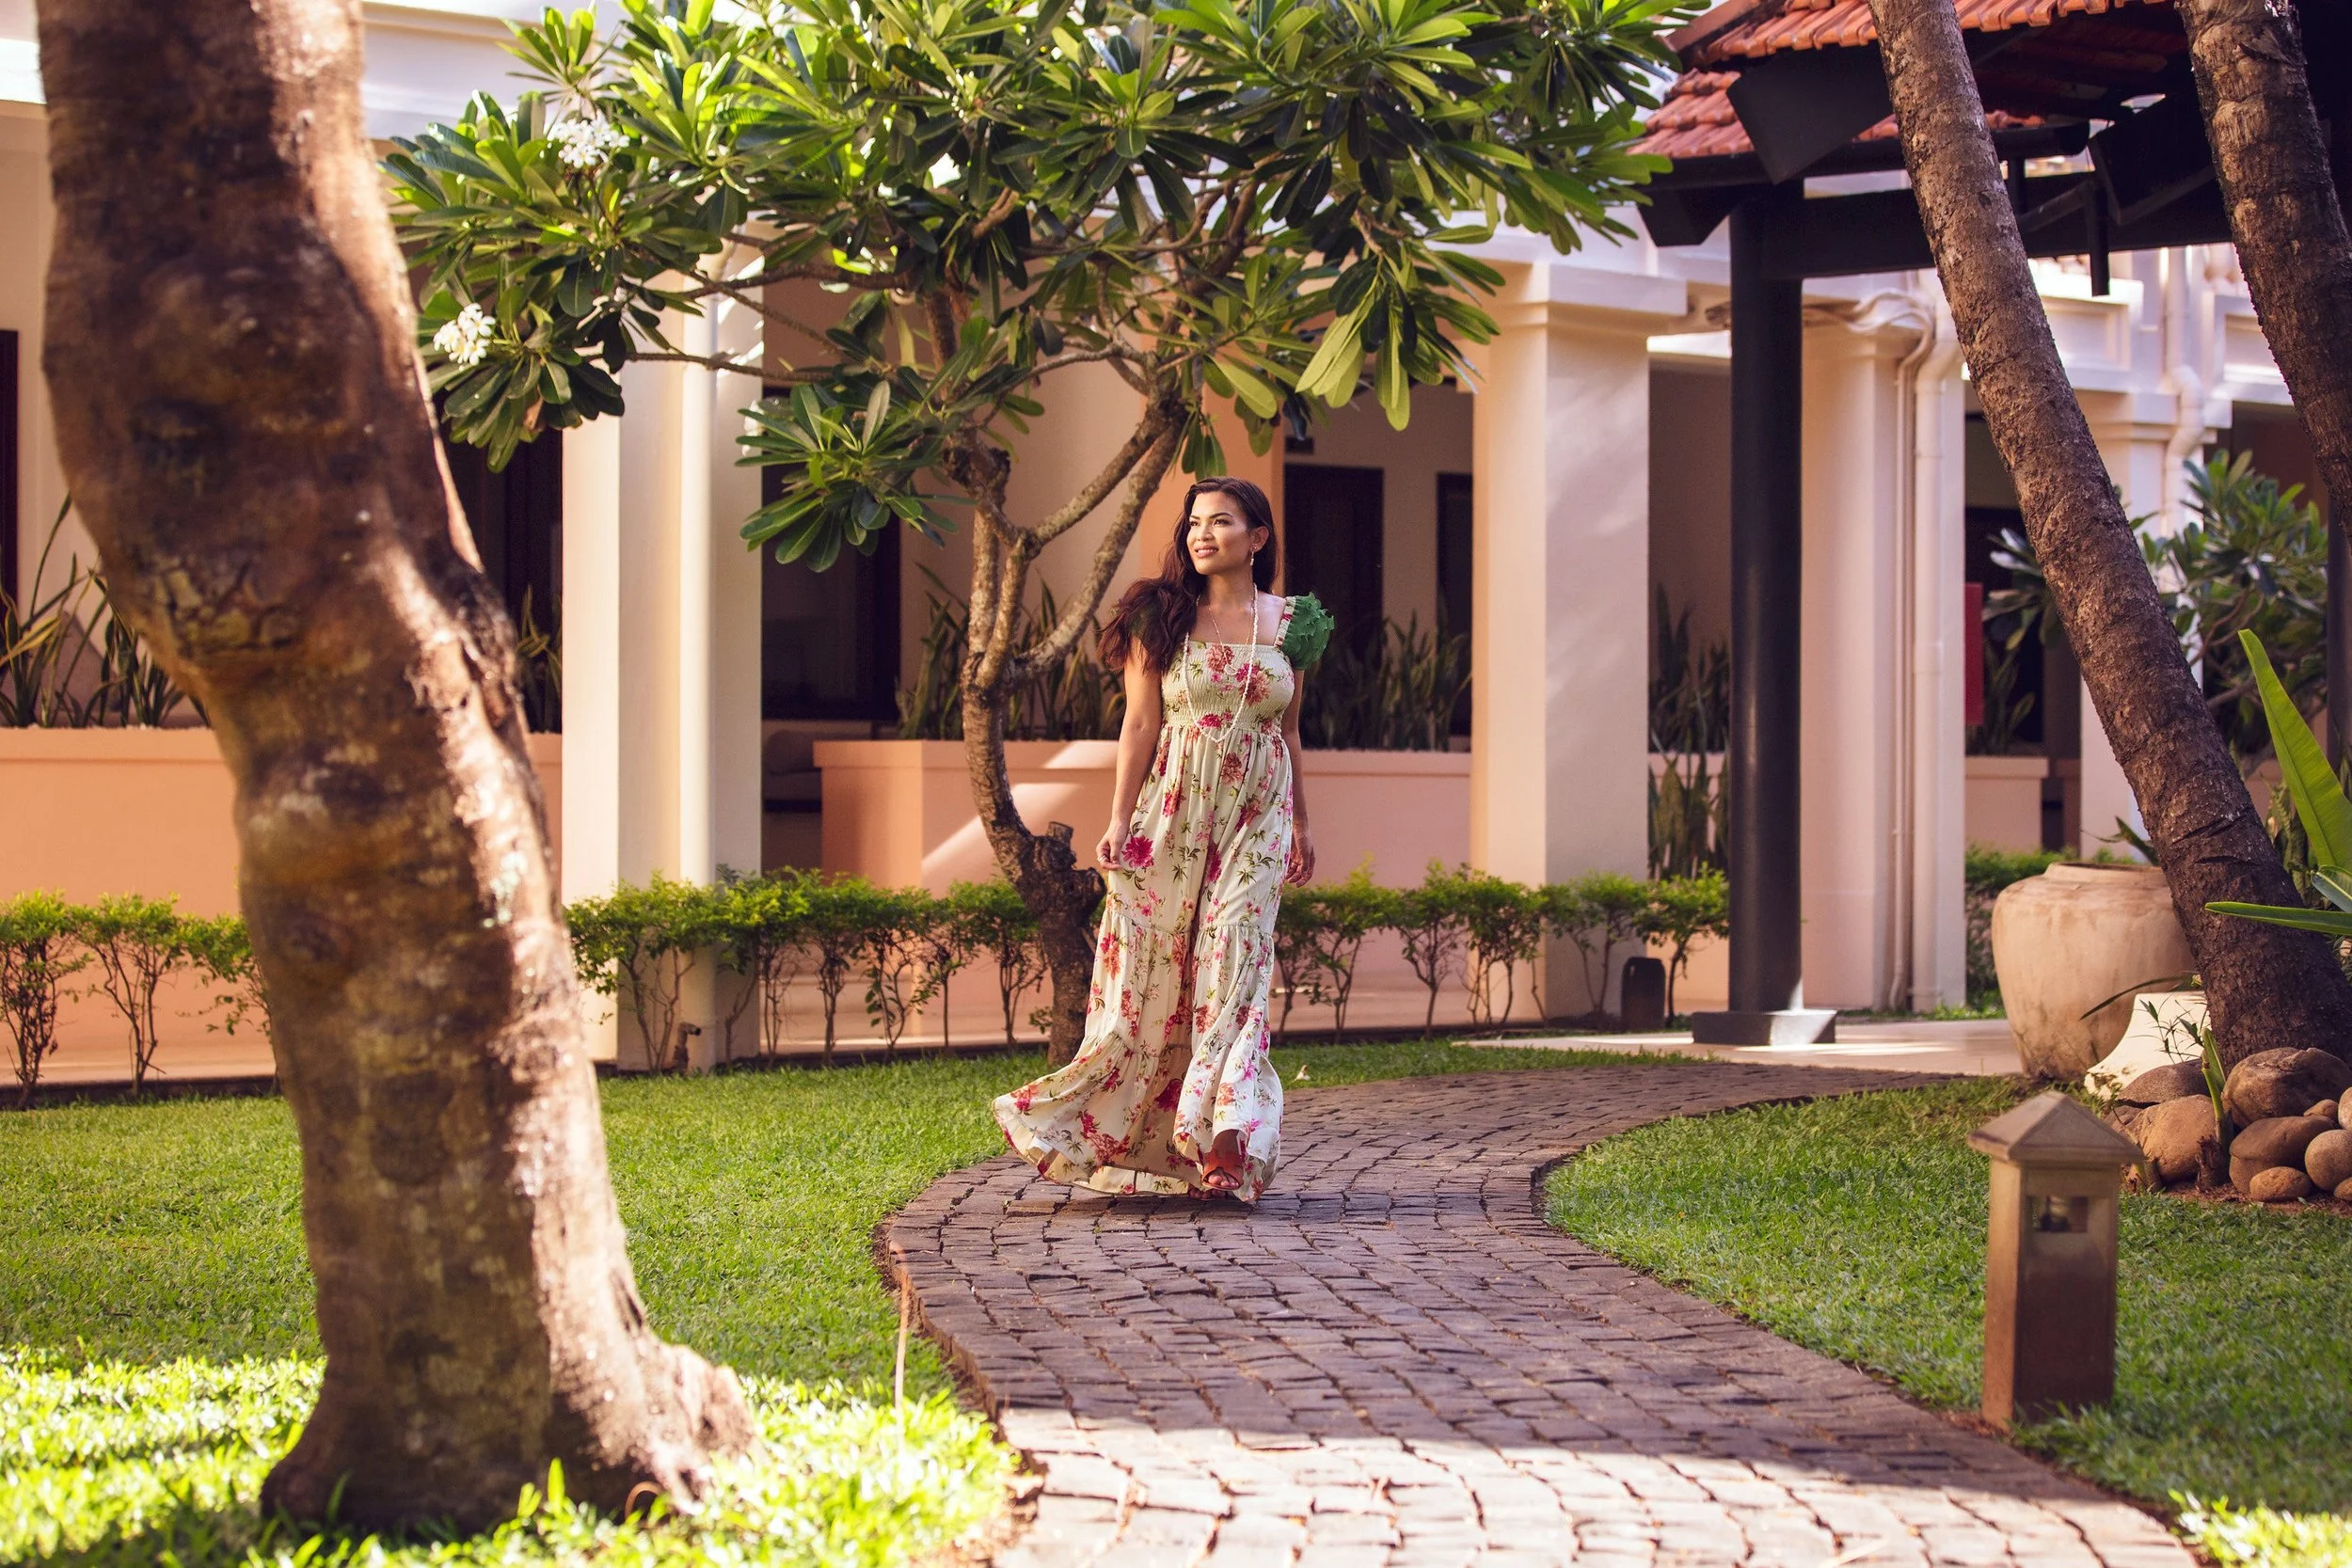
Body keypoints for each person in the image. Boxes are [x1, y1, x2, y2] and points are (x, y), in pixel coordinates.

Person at [993, 477, 1331, 1200]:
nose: (1201, 533)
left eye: (1221, 521)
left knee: (1237, 955)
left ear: (1258, 537)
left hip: (1258, 814)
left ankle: (1226, 1135)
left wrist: (1303, 821)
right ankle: (1135, 1123)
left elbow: (1290, 729)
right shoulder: (1160, 614)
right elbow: (1141, 723)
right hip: (1175, 811)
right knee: (1157, 974)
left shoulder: (1296, 623)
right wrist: (1119, 819)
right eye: (1194, 522)